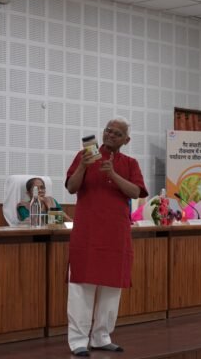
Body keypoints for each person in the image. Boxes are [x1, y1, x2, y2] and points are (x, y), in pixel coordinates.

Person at [65, 117, 148, 357]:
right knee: (82, 286)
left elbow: (136, 192)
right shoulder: (84, 156)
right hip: (87, 233)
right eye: (108, 131)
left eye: (117, 133)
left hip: (116, 234)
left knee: (112, 287)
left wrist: (113, 173)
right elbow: (71, 187)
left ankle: (102, 337)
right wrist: (83, 166)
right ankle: (78, 341)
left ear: (126, 140)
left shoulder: (130, 163)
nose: (110, 135)